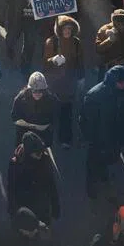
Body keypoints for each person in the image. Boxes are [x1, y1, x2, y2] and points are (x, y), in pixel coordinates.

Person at [79, 65, 124, 197]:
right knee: (93, 165)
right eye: (121, 82)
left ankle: (103, 175)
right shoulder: (95, 96)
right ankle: (91, 187)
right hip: (98, 141)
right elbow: (85, 120)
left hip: (115, 140)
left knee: (108, 160)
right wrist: (91, 138)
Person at [42, 15, 84, 149]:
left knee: (67, 112)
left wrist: (81, 77)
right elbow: (45, 64)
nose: (67, 31)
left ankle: (65, 139)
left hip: (69, 83)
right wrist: (53, 60)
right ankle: (46, 139)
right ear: (59, 29)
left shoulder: (77, 43)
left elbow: (80, 62)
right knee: (51, 111)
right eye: (65, 28)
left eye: (70, 29)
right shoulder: (51, 42)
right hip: (54, 83)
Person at [6, 131, 60, 225]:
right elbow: (11, 188)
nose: (40, 155)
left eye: (41, 152)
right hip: (24, 206)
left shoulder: (45, 159)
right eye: (36, 153)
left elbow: (51, 184)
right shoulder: (16, 164)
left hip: (42, 206)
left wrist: (55, 206)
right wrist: (12, 209)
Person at [11, 72, 58, 147]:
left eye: (40, 91)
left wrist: (48, 126)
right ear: (29, 89)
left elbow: (55, 117)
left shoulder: (51, 100)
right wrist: (27, 125)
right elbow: (14, 116)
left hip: (43, 137)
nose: (37, 93)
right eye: (34, 91)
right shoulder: (20, 98)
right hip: (24, 136)